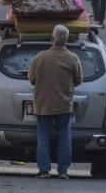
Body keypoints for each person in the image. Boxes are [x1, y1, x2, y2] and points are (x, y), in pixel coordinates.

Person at [28, 25, 83, 179]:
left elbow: (32, 79)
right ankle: (63, 171)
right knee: (64, 136)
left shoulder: (40, 57)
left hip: (43, 103)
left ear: (52, 38)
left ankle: (44, 170)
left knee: (43, 136)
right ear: (66, 40)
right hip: (64, 104)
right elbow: (79, 80)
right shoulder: (73, 58)